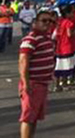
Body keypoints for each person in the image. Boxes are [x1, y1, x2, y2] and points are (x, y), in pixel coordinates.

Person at [18, 10, 55, 138]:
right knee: (28, 118)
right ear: (35, 23)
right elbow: (23, 61)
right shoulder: (30, 39)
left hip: (43, 84)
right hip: (33, 83)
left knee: (34, 117)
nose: (48, 23)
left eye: (50, 21)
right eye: (44, 20)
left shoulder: (46, 37)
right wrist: (25, 83)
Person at [53, 6, 75, 91]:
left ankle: (56, 85)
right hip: (67, 46)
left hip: (59, 47)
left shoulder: (59, 22)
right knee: (67, 67)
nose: (72, 14)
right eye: (71, 12)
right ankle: (65, 84)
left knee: (58, 67)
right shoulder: (69, 23)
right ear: (67, 13)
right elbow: (69, 34)